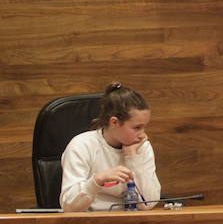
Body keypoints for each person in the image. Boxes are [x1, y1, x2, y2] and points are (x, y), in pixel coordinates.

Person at [60, 82, 161, 211]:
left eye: (144, 127)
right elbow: (69, 206)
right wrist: (97, 180)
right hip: (90, 223)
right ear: (114, 122)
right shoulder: (81, 145)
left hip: (132, 222)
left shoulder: (141, 147)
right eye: (137, 128)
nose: (143, 135)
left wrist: (132, 157)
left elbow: (148, 203)